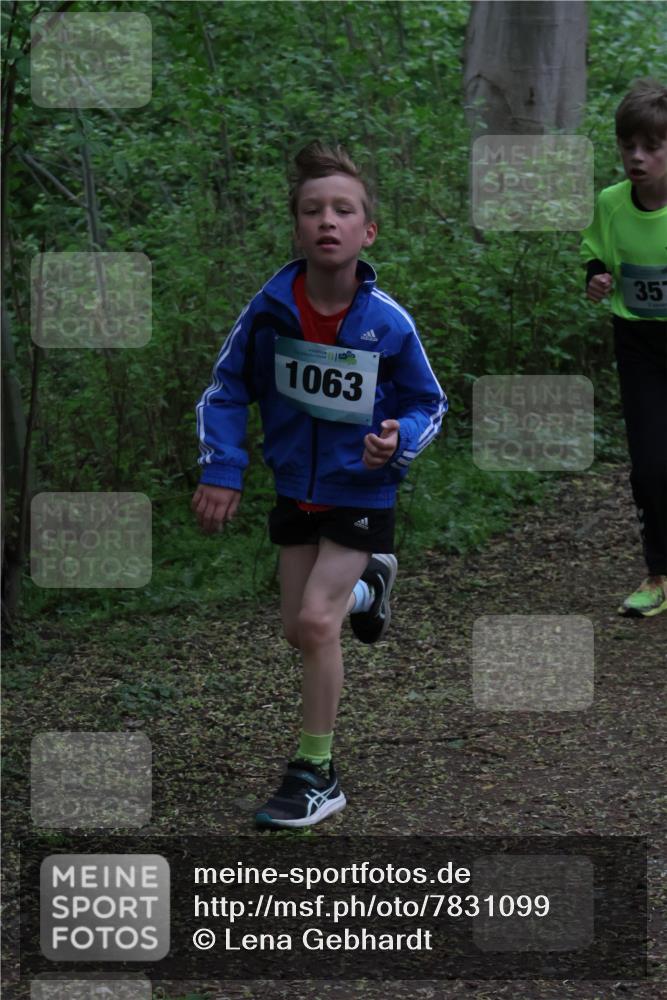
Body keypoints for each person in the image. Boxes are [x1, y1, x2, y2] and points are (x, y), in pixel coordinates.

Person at [192, 141, 446, 828]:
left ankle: (316, 772)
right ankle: (371, 588)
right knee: (298, 631)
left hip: (361, 492)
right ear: (297, 227)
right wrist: (223, 467)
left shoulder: (386, 323)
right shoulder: (269, 313)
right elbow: (224, 390)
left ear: (368, 232)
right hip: (294, 491)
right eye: (312, 210)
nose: (326, 221)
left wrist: (396, 442)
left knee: (314, 621)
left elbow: (430, 403)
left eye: (343, 210)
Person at [581, 79, 667, 617]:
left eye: (651, 147)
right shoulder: (611, 203)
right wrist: (596, 278)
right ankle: (658, 574)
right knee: (651, 466)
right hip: (638, 344)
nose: (636, 157)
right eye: (627, 145)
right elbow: (596, 255)